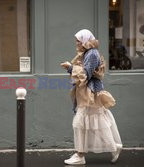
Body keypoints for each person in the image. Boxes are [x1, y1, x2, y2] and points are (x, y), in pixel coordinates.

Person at [60, 29, 122, 165]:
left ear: (85, 40)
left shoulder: (92, 54)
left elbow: (86, 74)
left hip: (91, 94)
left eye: (78, 40)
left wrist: (70, 68)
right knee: (90, 123)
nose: (76, 43)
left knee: (82, 124)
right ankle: (111, 147)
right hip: (87, 93)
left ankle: (80, 155)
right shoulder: (87, 52)